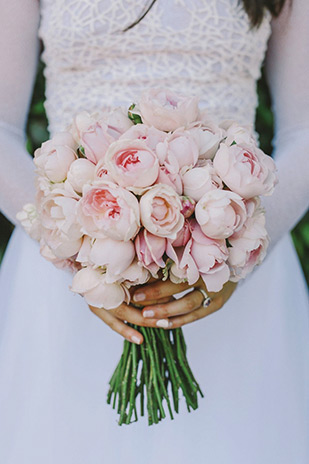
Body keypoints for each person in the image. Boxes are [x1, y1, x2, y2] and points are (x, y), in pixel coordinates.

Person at [0, 0, 308, 463]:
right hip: (66, 289)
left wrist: (237, 259)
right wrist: (76, 250)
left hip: (233, 279)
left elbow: (305, 130)